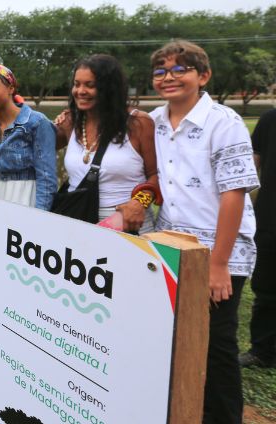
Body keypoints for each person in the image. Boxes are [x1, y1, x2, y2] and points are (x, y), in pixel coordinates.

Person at [148, 40, 258, 423]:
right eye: (161, 71)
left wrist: (219, 265)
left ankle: (224, 417)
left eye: (180, 69)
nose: (169, 78)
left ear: (203, 75)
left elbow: (234, 195)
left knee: (216, 345)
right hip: (172, 245)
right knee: (176, 339)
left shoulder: (223, 123)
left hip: (217, 252)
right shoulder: (156, 121)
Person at [53, 54, 158, 234]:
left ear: (109, 88)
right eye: (76, 84)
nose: (80, 91)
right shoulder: (70, 122)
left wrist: (139, 202)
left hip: (127, 224)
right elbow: (34, 149)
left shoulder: (138, 123)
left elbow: (156, 176)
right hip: (78, 223)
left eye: (90, 85)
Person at [0, 65, 56, 210]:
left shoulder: (36, 122)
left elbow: (47, 178)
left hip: (26, 197)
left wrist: (41, 217)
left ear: (11, 88)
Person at [241, 108, 276, 369]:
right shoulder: (270, 119)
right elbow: (253, 165)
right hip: (269, 217)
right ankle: (262, 351)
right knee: (265, 288)